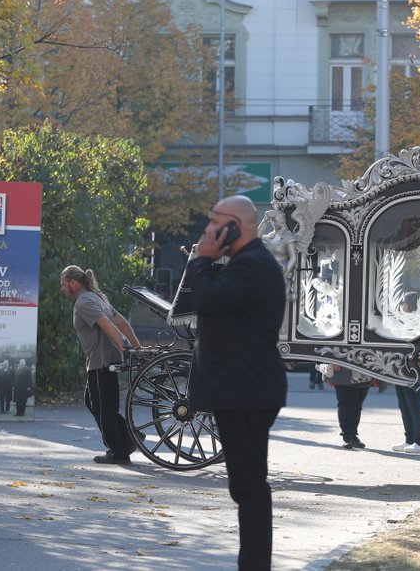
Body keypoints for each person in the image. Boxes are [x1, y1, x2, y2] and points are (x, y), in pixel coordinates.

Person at [185, 195, 288, 570]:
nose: (208, 232)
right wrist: (205, 261)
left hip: (247, 391)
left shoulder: (253, 266)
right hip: (242, 390)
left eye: (216, 223)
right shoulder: (243, 264)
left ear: (237, 226)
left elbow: (207, 299)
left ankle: (255, 565)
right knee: (246, 486)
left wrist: (201, 259)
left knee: (249, 487)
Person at [61, 265, 140, 465]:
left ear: (73, 283)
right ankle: (128, 437)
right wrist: (135, 344)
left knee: (102, 407)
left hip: (100, 361)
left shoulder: (83, 302)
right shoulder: (96, 297)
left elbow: (107, 324)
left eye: (63, 284)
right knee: (95, 402)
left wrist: (123, 345)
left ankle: (118, 450)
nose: (62, 289)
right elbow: (119, 320)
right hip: (106, 360)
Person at [392, 291, 420, 454]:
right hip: (401, 368)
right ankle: (409, 439)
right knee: (404, 405)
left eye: (403, 302)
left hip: (413, 370)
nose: (401, 305)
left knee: (413, 405)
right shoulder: (404, 322)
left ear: (410, 304)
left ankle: (418, 442)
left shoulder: (418, 323)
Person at [319, 362, 372, 449]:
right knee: (346, 405)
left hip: (364, 372)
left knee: (358, 406)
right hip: (343, 369)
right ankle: (347, 436)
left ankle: (353, 435)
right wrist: (332, 360)